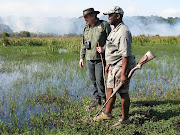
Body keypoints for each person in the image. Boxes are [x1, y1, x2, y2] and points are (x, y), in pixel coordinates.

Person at [94, 6, 136, 128]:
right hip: (113, 65)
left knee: (122, 93)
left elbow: (125, 54)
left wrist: (123, 73)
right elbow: (113, 49)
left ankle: (125, 120)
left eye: (110, 15)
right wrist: (108, 64)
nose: (108, 18)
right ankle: (107, 113)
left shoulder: (123, 32)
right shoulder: (114, 29)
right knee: (110, 89)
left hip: (120, 66)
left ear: (118, 16)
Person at [79, 8, 111, 108]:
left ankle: (105, 100)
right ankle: (97, 100)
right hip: (89, 58)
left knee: (100, 80)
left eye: (86, 17)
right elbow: (83, 44)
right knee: (93, 80)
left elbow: (111, 41)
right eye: (84, 18)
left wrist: (104, 49)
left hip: (100, 58)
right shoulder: (86, 28)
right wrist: (81, 58)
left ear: (93, 15)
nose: (85, 20)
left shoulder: (104, 25)